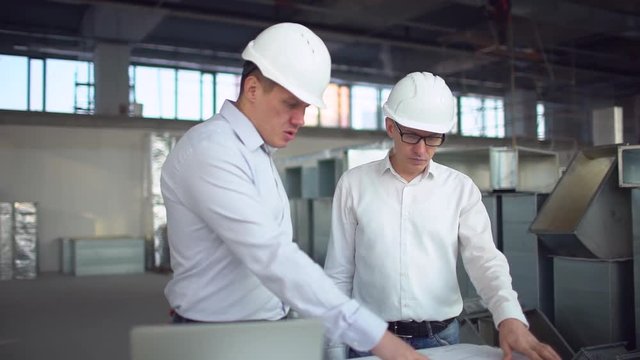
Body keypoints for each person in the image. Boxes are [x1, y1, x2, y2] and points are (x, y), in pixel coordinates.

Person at [160, 22, 427, 360]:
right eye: (291, 104)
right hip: (217, 339)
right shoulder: (212, 151)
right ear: (253, 88)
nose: (301, 119)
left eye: (306, 108)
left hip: (260, 331)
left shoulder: (254, 152)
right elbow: (272, 255)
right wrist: (380, 339)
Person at [324, 72, 561, 360]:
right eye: (411, 135)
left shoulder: (460, 189)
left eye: (433, 138)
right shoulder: (354, 184)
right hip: (369, 339)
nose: (422, 149)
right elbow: (338, 272)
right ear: (390, 126)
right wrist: (334, 348)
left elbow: (485, 261)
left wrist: (508, 317)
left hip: (439, 341)